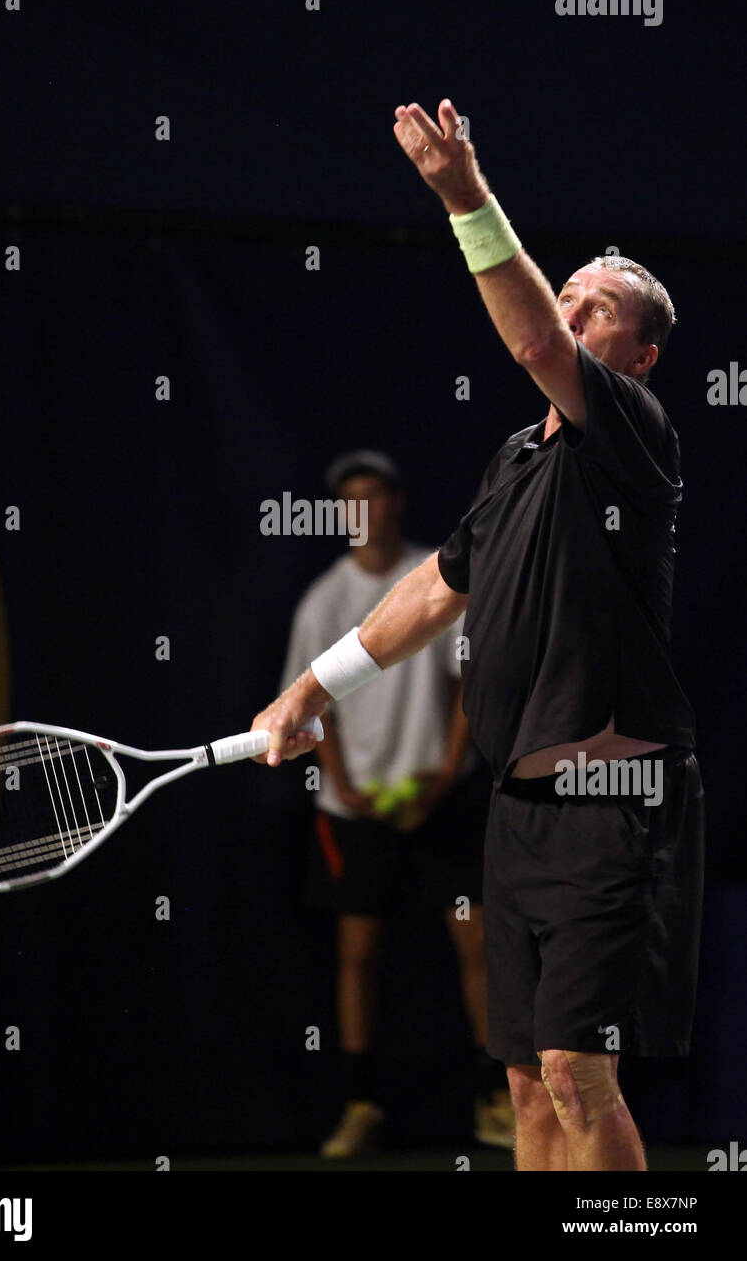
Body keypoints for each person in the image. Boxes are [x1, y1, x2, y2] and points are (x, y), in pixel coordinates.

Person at [250, 99, 704, 1172]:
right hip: (516, 813)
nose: (574, 301)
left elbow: (532, 333)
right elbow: (433, 589)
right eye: (574, 286)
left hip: (612, 807)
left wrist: (463, 195)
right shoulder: (512, 463)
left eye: (597, 304)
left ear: (631, 358)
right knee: (520, 1080)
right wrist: (314, 685)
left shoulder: (634, 434)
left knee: (575, 1070)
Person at [279, 450, 509, 1157]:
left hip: (443, 799)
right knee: (360, 951)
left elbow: (466, 684)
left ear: (396, 502)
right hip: (356, 814)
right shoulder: (323, 601)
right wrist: (345, 789)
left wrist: (444, 773)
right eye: (349, 498)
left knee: (478, 941)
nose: (362, 510)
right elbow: (310, 708)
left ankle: (495, 1097)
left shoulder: (434, 577)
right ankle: (362, 1103)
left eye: (374, 494)